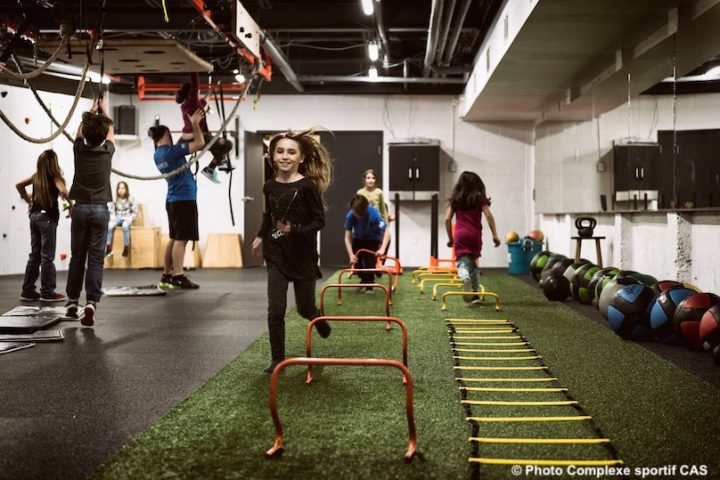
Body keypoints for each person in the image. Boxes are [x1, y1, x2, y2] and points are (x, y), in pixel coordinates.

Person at [251, 129, 333, 374]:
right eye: (280, 151)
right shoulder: (269, 186)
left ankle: (317, 319)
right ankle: (278, 359)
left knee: (304, 308)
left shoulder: (308, 186)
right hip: (276, 254)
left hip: (303, 257)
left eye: (291, 152)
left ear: (301, 158)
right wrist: (259, 236)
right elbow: (270, 216)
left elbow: (319, 221)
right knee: (275, 310)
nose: (285, 156)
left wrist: (294, 230)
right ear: (272, 156)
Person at [65, 96, 115, 326]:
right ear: (103, 136)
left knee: (77, 256)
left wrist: (91, 110)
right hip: (100, 210)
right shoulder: (107, 152)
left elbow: (79, 133)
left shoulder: (79, 150)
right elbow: (111, 129)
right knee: (96, 258)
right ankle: (91, 303)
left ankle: (72, 301)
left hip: (80, 208)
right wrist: (103, 110)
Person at [149, 109, 206, 289]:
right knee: (181, 239)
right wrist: (195, 124)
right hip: (183, 200)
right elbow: (200, 143)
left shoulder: (158, 154)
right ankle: (178, 275)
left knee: (174, 238)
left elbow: (178, 150)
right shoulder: (171, 152)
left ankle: (167, 275)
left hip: (173, 199)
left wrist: (183, 138)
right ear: (166, 134)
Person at [16, 149, 71, 302]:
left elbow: (18, 185)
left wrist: (29, 201)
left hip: (34, 217)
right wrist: (72, 205)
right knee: (47, 257)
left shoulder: (36, 177)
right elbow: (64, 191)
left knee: (35, 255)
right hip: (47, 219)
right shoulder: (55, 177)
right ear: (54, 163)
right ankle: (47, 292)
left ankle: (27, 291)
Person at [445, 171, 501, 305]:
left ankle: (465, 278)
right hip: (475, 236)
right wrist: (495, 235)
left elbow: (447, 219)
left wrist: (450, 238)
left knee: (462, 263)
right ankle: (475, 294)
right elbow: (489, 216)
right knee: (474, 265)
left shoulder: (456, 200)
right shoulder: (480, 199)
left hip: (460, 235)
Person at [175, 72, 233, 184]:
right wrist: (194, 69)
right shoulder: (193, 101)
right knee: (228, 145)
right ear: (192, 92)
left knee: (213, 144)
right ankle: (210, 169)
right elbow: (196, 83)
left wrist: (211, 90)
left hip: (186, 138)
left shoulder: (189, 104)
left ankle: (220, 161)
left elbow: (206, 99)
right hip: (197, 137)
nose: (199, 92)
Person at [343, 194, 390, 293]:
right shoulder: (350, 216)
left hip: (373, 239)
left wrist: (382, 249)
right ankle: (364, 280)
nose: (359, 216)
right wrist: (351, 255)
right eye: (357, 213)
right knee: (355, 262)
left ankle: (369, 285)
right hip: (359, 238)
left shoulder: (374, 214)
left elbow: (387, 231)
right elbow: (347, 238)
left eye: (362, 213)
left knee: (370, 262)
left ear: (366, 208)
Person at [105, 181, 137, 258]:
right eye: (119, 188)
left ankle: (126, 247)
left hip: (127, 218)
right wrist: (112, 216)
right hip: (117, 218)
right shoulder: (115, 199)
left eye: (123, 188)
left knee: (125, 226)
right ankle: (108, 248)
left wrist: (131, 218)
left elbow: (135, 212)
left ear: (126, 189)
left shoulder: (130, 199)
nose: (121, 190)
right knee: (109, 226)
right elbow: (111, 209)